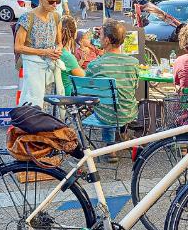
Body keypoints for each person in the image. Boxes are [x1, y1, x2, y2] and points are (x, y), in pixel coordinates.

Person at [85, 20, 140, 162]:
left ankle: (110, 147)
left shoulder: (95, 65)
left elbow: (88, 92)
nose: (99, 38)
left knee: (105, 103)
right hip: (128, 112)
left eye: (101, 35)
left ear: (107, 40)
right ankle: (122, 133)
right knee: (117, 101)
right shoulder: (133, 63)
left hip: (105, 114)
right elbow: (134, 87)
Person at [14, 0, 64, 108]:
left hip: (50, 65)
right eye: (51, 1)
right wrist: (45, 52)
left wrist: (58, 50)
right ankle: (31, 125)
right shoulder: (27, 17)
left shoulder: (57, 17)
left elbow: (59, 42)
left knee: (47, 102)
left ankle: (45, 126)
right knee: (33, 101)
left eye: (58, 1)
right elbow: (18, 47)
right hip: (33, 67)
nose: (55, 5)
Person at [59, 16, 85, 95]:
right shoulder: (67, 56)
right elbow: (84, 78)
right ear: (74, 33)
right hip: (69, 96)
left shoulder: (56, 51)